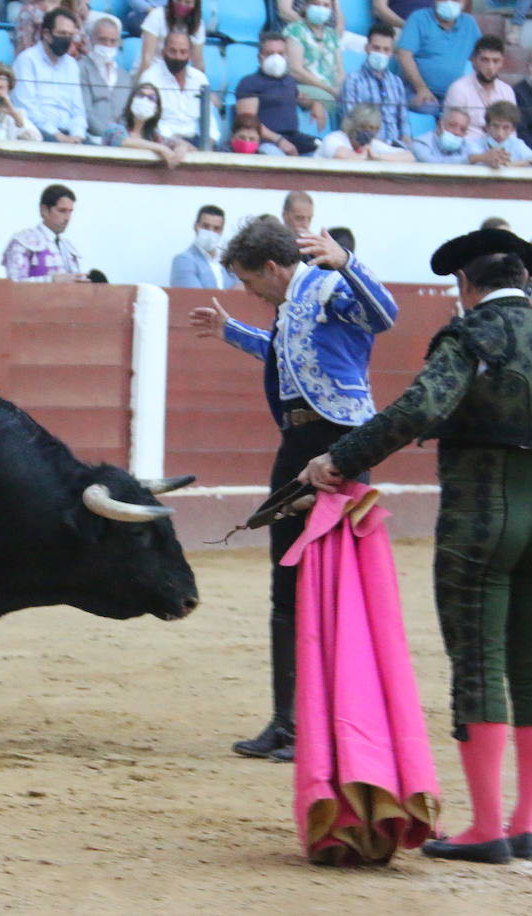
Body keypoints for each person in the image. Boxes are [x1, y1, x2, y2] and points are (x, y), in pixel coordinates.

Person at [299, 228, 532, 865]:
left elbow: (421, 407)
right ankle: (525, 823)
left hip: (480, 523)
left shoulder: (471, 336)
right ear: (527, 284)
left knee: (479, 665)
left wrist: (341, 458)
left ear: (465, 286)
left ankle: (484, 827)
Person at [187, 215, 398, 763]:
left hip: (342, 443)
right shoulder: (290, 305)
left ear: (273, 268)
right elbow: (287, 355)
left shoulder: (328, 283)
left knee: (330, 586)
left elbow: (386, 315)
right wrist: (231, 331)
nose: (246, 290)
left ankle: (322, 726)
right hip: (298, 444)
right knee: (287, 580)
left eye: (248, 279)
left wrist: (349, 263)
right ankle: (287, 723)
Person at [234, 32, 323, 155]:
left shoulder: (289, 81)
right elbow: (248, 122)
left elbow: (300, 98)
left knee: (325, 150)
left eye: (280, 53)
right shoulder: (249, 83)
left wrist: (315, 104)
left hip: (293, 137)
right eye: (270, 53)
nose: (276, 58)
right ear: (260, 57)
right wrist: (279, 140)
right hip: (266, 141)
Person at [12, 8, 88, 143]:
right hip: (38, 132)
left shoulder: (72, 65)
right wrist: (56, 135)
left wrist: (77, 135)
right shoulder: (27, 60)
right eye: (62, 33)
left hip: (69, 133)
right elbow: (26, 107)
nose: (66, 39)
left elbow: (78, 109)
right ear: (47, 34)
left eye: (70, 35)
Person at [397, 0, 483, 115]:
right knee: (428, 108)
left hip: (454, 95)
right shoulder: (419, 18)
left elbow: (482, 57)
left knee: (471, 112)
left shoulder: (469, 24)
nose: (449, 2)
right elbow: (404, 55)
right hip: (416, 90)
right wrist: (421, 88)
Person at [139, 28, 219, 145]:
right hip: (162, 143)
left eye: (183, 52)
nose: (177, 57)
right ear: (163, 52)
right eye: (173, 51)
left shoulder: (200, 79)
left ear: (190, 55)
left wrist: (207, 146)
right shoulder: (150, 78)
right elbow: (145, 123)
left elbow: (210, 123)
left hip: (196, 143)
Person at [341, 25, 412, 148]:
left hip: (394, 147)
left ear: (391, 53)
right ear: (367, 48)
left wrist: (406, 142)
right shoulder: (354, 80)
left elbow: (403, 121)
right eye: (376, 48)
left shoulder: (396, 82)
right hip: (366, 145)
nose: (381, 53)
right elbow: (351, 120)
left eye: (386, 50)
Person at [2, 183, 87, 282]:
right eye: (62, 211)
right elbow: (14, 284)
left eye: (70, 211)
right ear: (45, 210)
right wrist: (52, 280)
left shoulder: (68, 247)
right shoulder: (23, 241)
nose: (67, 218)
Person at [443, 35, 516, 141]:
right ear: (474, 61)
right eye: (485, 60)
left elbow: (512, 131)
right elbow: (451, 130)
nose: (490, 67)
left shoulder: (507, 91)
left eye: (495, 61)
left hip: (501, 148)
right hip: (467, 149)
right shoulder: (458, 89)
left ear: (501, 63)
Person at [103, 83, 194, 167]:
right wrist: (161, 148)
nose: (144, 100)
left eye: (151, 98)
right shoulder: (115, 127)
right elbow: (123, 141)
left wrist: (181, 146)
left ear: (156, 109)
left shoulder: (154, 137)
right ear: (131, 101)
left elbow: (181, 144)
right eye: (140, 95)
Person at [79, 17, 132, 140]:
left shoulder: (125, 77)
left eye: (113, 41)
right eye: (103, 40)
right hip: (91, 138)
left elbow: (127, 114)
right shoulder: (81, 68)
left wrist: (120, 136)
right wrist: (108, 136)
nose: (108, 45)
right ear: (91, 39)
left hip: (120, 140)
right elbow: (85, 111)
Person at [285, 0, 344, 110]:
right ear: (306, 6)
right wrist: (328, 89)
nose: (321, 8)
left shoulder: (332, 35)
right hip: (305, 87)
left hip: (331, 90)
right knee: (329, 100)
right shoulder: (296, 30)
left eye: (326, 5)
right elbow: (296, 70)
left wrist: (338, 88)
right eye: (316, 4)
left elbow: (340, 71)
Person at [466, 100, 532, 168]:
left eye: (506, 127)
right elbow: (467, 159)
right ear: (487, 127)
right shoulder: (475, 144)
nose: (500, 133)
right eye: (495, 126)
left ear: (513, 129)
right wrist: (484, 157)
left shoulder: (518, 145)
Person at [316, 103, 417, 161]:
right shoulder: (334, 138)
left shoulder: (372, 144)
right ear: (351, 125)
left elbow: (409, 157)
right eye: (363, 127)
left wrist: (378, 156)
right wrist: (366, 156)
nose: (368, 132)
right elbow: (342, 156)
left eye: (373, 128)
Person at [137, 0, 206, 77]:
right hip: (152, 72)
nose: (182, 4)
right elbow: (147, 60)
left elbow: (198, 63)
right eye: (178, 1)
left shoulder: (198, 25)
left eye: (187, 2)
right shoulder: (156, 16)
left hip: (179, 74)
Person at [170, 204, 232, 289]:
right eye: (206, 226)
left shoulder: (228, 262)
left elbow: (242, 293)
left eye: (216, 228)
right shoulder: (184, 260)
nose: (211, 232)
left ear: (221, 231)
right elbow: (194, 297)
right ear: (196, 226)